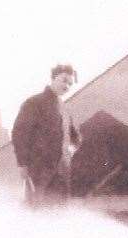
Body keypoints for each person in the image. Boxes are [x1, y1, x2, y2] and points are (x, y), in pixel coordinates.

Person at [10, 64, 82, 207]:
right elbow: (20, 134)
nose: (66, 86)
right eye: (64, 80)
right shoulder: (34, 103)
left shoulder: (65, 109)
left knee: (60, 213)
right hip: (39, 170)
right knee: (37, 212)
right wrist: (22, 164)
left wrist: (69, 151)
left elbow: (77, 138)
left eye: (70, 84)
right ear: (54, 78)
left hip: (62, 173)